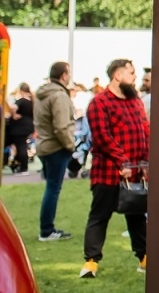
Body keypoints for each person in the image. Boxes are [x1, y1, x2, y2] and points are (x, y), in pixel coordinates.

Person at [80, 59, 148, 278]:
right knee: (100, 216)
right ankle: (91, 262)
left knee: (137, 216)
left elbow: (144, 132)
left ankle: (145, 257)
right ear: (117, 75)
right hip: (108, 172)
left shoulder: (135, 101)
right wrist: (122, 162)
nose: (135, 77)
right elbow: (101, 137)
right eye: (131, 73)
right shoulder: (99, 102)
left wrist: (145, 162)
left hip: (135, 173)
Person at [34, 62, 76, 242]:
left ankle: (46, 228)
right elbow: (61, 126)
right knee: (53, 189)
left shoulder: (43, 93)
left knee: (51, 187)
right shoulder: (58, 96)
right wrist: (70, 145)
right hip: (56, 147)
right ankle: (47, 230)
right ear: (63, 75)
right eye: (69, 73)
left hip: (44, 145)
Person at [6, 83, 33, 174]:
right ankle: (20, 165)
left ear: (21, 91)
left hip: (19, 127)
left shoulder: (21, 101)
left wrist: (13, 114)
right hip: (28, 126)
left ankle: (23, 168)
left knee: (21, 146)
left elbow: (13, 108)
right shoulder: (32, 101)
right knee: (22, 146)